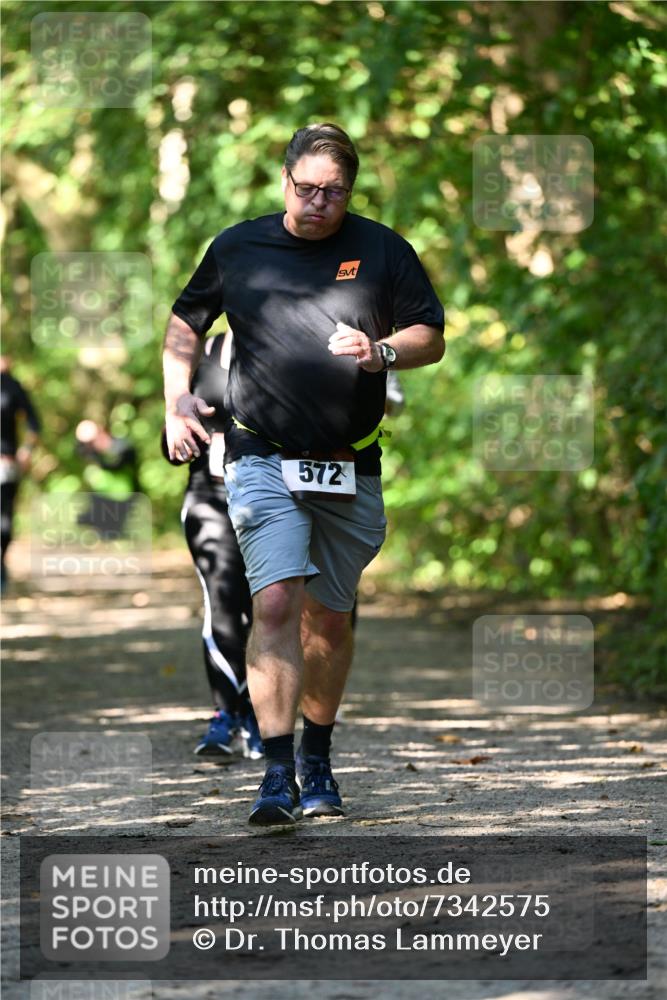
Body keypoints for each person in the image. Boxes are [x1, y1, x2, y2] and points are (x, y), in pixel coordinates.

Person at [162, 122, 445, 826]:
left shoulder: (382, 249)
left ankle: (317, 755)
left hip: (351, 465)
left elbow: (429, 336)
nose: (319, 202)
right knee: (279, 602)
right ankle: (278, 771)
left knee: (330, 618)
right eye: (307, 188)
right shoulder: (238, 246)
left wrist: (380, 351)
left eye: (334, 192)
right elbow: (184, 321)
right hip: (259, 455)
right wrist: (175, 399)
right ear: (283, 178)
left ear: (351, 190)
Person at [161, 332, 262, 760]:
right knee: (222, 598)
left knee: (267, 607)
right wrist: (180, 439)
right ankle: (224, 717)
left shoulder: (286, 339)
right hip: (209, 494)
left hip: (271, 496)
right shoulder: (198, 354)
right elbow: (169, 433)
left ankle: (261, 716)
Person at [0, 355, 41, 592]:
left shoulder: (11, 386)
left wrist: (26, 450)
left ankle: (1, 563)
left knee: (4, 520)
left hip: (5, 463)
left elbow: (34, 422)